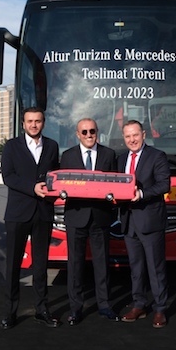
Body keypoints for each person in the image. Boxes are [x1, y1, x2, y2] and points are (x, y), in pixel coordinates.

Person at [0, 107, 60, 329]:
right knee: (13, 266)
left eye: (38, 121)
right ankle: (10, 312)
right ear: (23, 124)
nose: (34, 125)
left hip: (43, 213)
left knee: (41, 266)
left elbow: (55, 175)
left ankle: (41, 310)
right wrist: (32, 187)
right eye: (30, 121)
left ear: (43, 123)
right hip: (18, 213)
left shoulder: (52, 146)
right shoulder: (11, 146)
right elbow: (8, 176)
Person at [59, 118, 120, 325]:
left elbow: (115, 185)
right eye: (84, 132)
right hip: (76, 216)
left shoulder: (109, 154)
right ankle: (75, 308)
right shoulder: (67, 156)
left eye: (92, 131)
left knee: (102, 264)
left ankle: (104, 305)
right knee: (75, 264)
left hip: (100, 216)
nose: (88, 135)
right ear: (77, 134)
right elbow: (62, 184)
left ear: (97, 132)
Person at [117, 120, 171, 328]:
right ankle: (139, 305)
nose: (132, 139)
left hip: (150, 221)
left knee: (155, 267)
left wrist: (141, 194)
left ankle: (160, 309)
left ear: (144, 134)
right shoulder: (121, 159)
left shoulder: (157, 156)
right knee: (136, 267)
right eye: (128, 136)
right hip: (128, 221)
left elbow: (164, 184)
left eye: (135, 135)